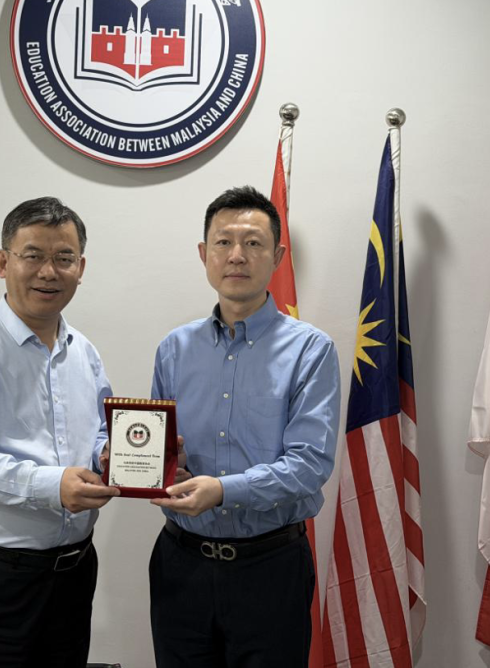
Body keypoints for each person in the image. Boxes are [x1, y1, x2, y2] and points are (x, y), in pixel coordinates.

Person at [148, 185, 342, 667]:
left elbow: (309, 466)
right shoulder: (174, 349)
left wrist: (221, 490)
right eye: (223, 242)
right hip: (180, 565)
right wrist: (155, 467)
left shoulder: (311, 351)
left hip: (270, 569)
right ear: (204, 254)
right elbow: (161, 449)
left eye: (253, 243)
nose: (237, 255)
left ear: (277, 256)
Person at [0, 197, 119, 668]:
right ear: (2, 262)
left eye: (64, 257)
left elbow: (98, 432)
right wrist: (53, 486)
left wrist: (111, 457)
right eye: (32, 255)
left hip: (73, 572)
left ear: (81, 267)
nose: (48, 272)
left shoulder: (84, 352)